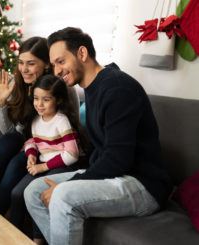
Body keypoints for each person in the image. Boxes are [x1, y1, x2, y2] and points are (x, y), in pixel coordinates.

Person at [24, 27, 172, 245]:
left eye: (60, 61)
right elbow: (100, 152)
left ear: (82, 54)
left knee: (63, 197)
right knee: (34, 191)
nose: (56, 70)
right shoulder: (93, 87)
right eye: (54, 64)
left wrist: (71, 184)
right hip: (114, 176)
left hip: (141, 185)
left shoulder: (117, 88)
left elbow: (118, 158)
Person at [9, 74, 89, 244]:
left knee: (38, 194)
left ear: (58, 100)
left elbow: (72, 155)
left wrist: (43, 167)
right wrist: (31, 155)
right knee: (17, 193)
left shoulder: (61, 121)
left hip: (66, 165)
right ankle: (12, 235)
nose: (39, 104)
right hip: (46, 164)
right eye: (36, 99)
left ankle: (38, 240)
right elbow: (32, 140)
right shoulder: (36, 119)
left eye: (46, 99)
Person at [0, 37, 55, 215]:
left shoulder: (55, 87)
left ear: (46, 64)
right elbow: (7, 131)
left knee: (15, 165)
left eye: (31, 63)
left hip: (46, 143)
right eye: (21, 63)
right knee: (0, 150)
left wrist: (28, 147)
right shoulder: (16, 83)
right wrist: (1, 103)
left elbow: (62, 130)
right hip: (24, 136)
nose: (24, 69)